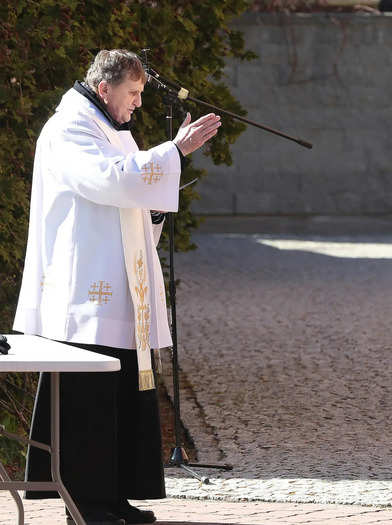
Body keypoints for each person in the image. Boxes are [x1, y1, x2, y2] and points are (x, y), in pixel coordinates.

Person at [13, 49, 221, 525]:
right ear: (105, 89)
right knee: (87, 406)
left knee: (122, 396)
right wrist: (174, 151)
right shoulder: (70, 128)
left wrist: (153, 206)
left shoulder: (111, 129)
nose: (138, 104)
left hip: (119, 288)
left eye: (141, 93)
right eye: (133, 93)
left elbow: (130, 198)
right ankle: (83, 505)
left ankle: (114, 497)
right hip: (85, 290)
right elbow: (108, 182)